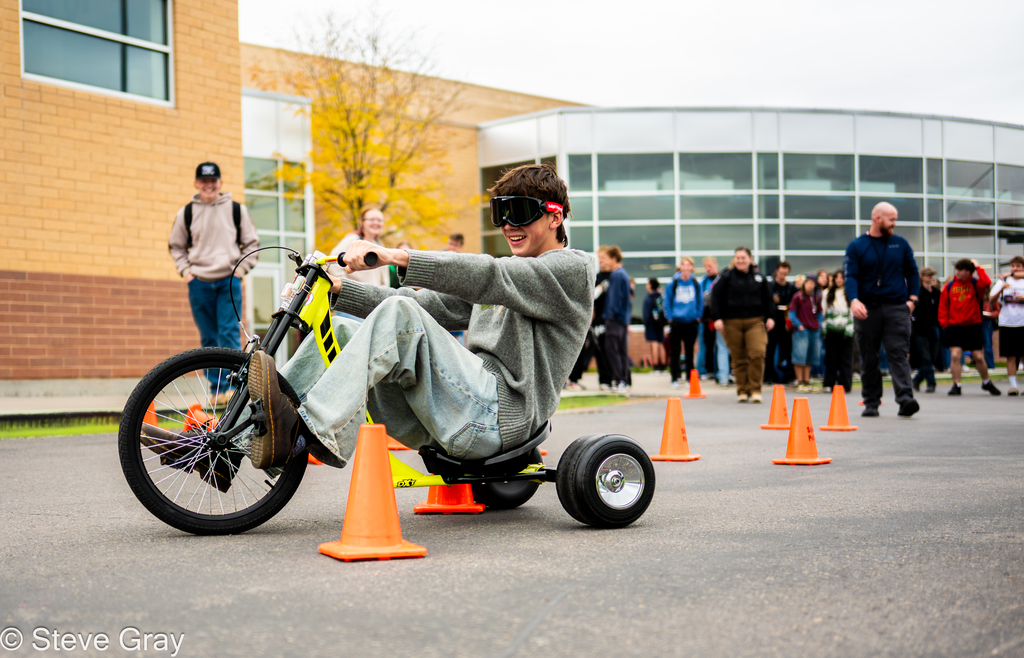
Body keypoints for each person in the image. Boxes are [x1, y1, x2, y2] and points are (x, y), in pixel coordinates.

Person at [244, 163, 595, 470]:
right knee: (338, 331)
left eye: (519, 212)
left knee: (401, 314)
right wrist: (338, 290)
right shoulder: (512, 278)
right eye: (500, 214)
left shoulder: (570, 271)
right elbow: (421, 304)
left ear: (555, 216)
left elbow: (491, 274)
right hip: (453, 411)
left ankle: (309, 428)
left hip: (498, 419)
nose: (508, 225)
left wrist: (395, 256)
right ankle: (235, 443)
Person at [168, 162, 259, 405]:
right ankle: (217, 390)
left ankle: (232, 388)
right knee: (208, 337)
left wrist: (239, 271)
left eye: (213, 181)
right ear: (196, 183)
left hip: (228, 281)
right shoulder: (185, 213)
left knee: (228, 333)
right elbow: (176, 246)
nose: (209, 185)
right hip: (198, 283)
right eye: (204, 181)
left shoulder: (236, 210)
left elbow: (252, 245)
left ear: (219, 182)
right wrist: (186, 272)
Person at [843, 201, 920, 418]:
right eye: (892, 219)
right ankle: (871, 402)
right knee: (869, 357)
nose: (895, 223)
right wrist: (854, 300)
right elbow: (851, 277)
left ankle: (905, 399)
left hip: (897, 307)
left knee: (898, 353)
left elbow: (913, 273)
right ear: (878, 218)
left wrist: (913, 300)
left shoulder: (901, 244)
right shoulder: (857, 246)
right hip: (867, 309)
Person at [710, 246, 774, 403]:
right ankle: (743, 391)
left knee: (757, 353)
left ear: (750, 259)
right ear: (734, 259)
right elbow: (715, 297)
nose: (740, 260)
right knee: (738, 358)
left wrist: (771, 317)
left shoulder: (759, 278)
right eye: (737, 258)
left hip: (755, 322)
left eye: (743, 258)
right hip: (732, 323)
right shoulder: (725, 277)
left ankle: (755, 390)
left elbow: (769, 299)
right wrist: (717, 318)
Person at [939, 258, 1000, 396]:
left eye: (961, 270)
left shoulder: (975, 284)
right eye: (957, 269)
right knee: (955, 355)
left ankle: (986, 382)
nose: (957, 272)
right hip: (953, 326)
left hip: (973, 325)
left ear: (968, 272)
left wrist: (978, 267)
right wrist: (945, 324)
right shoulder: (949, 286)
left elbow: (986, 282)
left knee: (978, 356)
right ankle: (956, 385)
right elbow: (943, 306)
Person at [663, 257, 703, 388]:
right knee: (675, 351)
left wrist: (698, 316)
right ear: (680, 267)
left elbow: (700, 302)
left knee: (690, 351)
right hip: (677, 321)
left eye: (688, 265)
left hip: (691, 321)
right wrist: (670, 318)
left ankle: (690, 379)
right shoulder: (673, 283)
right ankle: (675, 377)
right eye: (683, 265)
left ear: (692, 267)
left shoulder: (696, 283)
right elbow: (667, 301)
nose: (686, 268)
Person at [329, 204, 390, 288]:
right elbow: (333, 261)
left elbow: (385, 279)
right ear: (362, 223)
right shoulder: (353, 240)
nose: (376, 223)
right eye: (372, 219)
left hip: (375, 297)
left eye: (379, 220)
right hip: (356, 296)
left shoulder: (380, 246)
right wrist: (345, 286)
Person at [598, 245, 632, 392]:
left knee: (613, 350)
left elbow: (615, 300)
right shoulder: (623, 274)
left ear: (614, 259)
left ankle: (619, 381)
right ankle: (624, 381)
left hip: (614, 320)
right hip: (622, 321)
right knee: (621, 351)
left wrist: (609, 316)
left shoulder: (617, 275)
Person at [989, 256, 1024, 395]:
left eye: (1018, 266)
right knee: (1010, 356)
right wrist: (1001, 288)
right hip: (1007, 323)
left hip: (1022, 323)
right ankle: (1013, 386)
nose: (1014, 269)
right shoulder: (1003, 281)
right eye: (1013, 266)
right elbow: (991, 300)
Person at [698, 256, 730, 387]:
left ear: (715, 265)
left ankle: (718, 372)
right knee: (705, 345)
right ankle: (703, 370)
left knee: (719, 346)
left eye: (710, 266)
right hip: (706, 318)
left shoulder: (721, 279)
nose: (708, 268)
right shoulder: (703, 281)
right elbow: (702, 299)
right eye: (705, 266)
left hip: (717, 317)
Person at [789, 275, 823, 392]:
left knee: (809, 356)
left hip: (814, 329)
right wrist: (799, 325)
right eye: (808, 283)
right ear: (804, 284)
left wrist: (819, 324)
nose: (810, 285)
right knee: (800, 356)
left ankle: (806, 381)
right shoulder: (797, 297)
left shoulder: (816, 298)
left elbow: (819, 313)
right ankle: (800, 382)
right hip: (801, 330)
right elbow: (791, 314)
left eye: (812, 283)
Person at [822, 269, 854, 392]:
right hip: (831, 330)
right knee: (831, 358)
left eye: (842, 277)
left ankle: (844, 384)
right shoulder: (827, 293)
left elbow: (852, 312)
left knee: (846, 359)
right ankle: (829, 384)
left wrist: (849, 330)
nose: (839, 280)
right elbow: (823, 312)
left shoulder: (850, 293)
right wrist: (824, 329)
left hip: (846, 330)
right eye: (837, 277)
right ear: (833, 279)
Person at [911, 266, 941, 393]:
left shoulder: (936, 292)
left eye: (932, 274)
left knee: (932, 357)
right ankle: (931, 383)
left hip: (933, 328)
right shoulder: (917, 292)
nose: (930, 277)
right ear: (922, 277)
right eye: (928, 275)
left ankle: (916, 380)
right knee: (926, 357)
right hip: (920, 329)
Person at [765, 261, 796, 385]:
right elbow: (764, 301)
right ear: (777, 271)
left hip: (786, 320)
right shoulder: (770, 286)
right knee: (770, 348)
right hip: (773, 320)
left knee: (787, 349)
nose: (783, 276)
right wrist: (772, 301)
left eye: (785, 273)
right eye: (781, 273)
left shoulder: (790, 287)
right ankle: (769, 376)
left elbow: (795, 303)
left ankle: (787, 376)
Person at [641, 278, 668, 373]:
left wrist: (646, 324)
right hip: (660, 323)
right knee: (661, 344)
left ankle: (656, 367)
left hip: (651, 324)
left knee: (654, 344)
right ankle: (664, 367)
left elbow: (646, 313)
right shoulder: (660, 296)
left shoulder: (649, 298)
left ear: (650, 285)